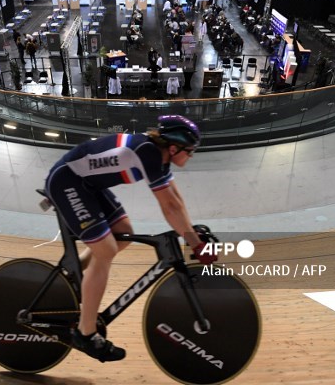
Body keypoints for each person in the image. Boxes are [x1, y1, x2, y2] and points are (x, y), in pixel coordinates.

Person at [44, 115, 216, 362]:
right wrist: (195, 243)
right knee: (105, 249)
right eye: (190, 151)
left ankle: (74, 274)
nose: (191, 155)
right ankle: (85, 332)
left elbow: (176, 201)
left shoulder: (159, 157)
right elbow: (169, 207)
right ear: (174, 147)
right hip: (66, 182)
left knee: (123, 234)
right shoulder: (149, 153)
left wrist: (191, 234)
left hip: (86, 184)